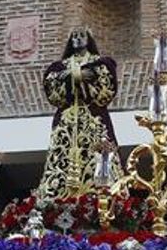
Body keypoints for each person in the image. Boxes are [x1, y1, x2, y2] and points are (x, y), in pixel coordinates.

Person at [36, 27, 119, 200]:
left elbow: (104, 88)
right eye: (74, 36)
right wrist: (77, 75)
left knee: (99, 157)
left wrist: (71, 77)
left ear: (89, 39)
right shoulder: (61, 66)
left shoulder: (100, 62)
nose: (77, 39)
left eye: (81, 36)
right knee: (61, 161)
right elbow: (52, 84)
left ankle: (103, 195)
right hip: (67, 121)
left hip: (94, 120)